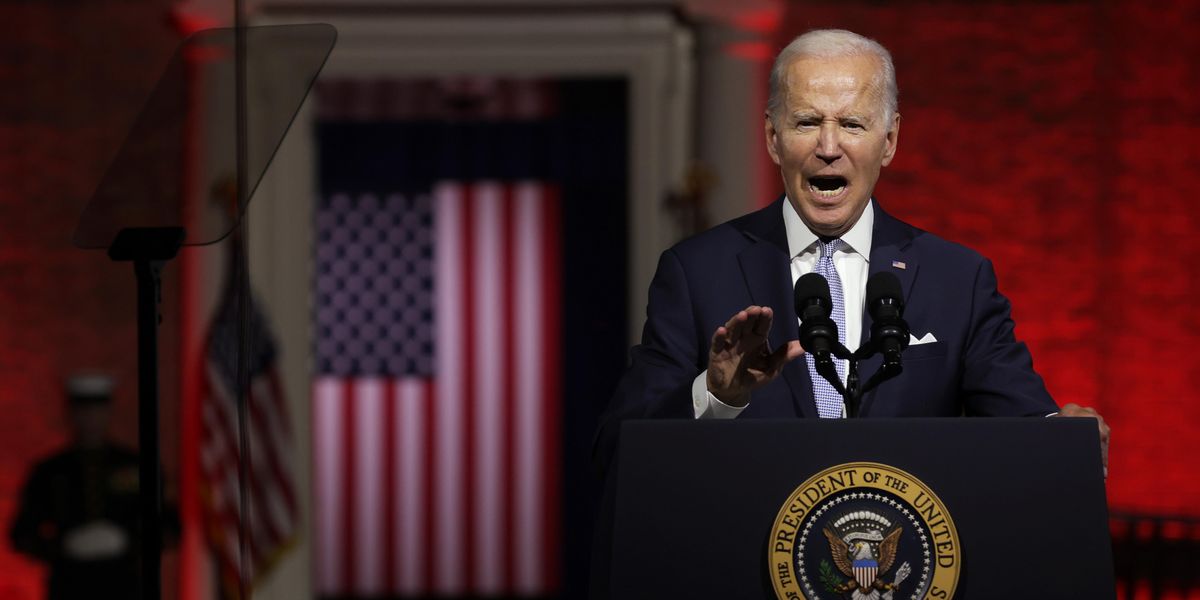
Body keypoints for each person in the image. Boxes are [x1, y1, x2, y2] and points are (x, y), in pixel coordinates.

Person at [596, 28, 1109, 468]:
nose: (827, 145)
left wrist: (1064, 435)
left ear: (888, 141)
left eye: (852, 123)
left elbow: (1026, 425)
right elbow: (617, 447)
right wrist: (716, 394)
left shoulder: (957, 279)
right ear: (773, 138)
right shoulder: (697, 272)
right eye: (805, 122)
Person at [9, 374, 174, 600]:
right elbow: (21, 535)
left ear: (108, 412)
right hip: (70, 585)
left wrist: (127, 542)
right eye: (83, 411)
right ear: (71, 414)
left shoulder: (135, 466)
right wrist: (62, 547)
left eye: (97, 410)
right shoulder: (49, 472)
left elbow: (170, 526)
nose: (90, 419)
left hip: (124, 584)